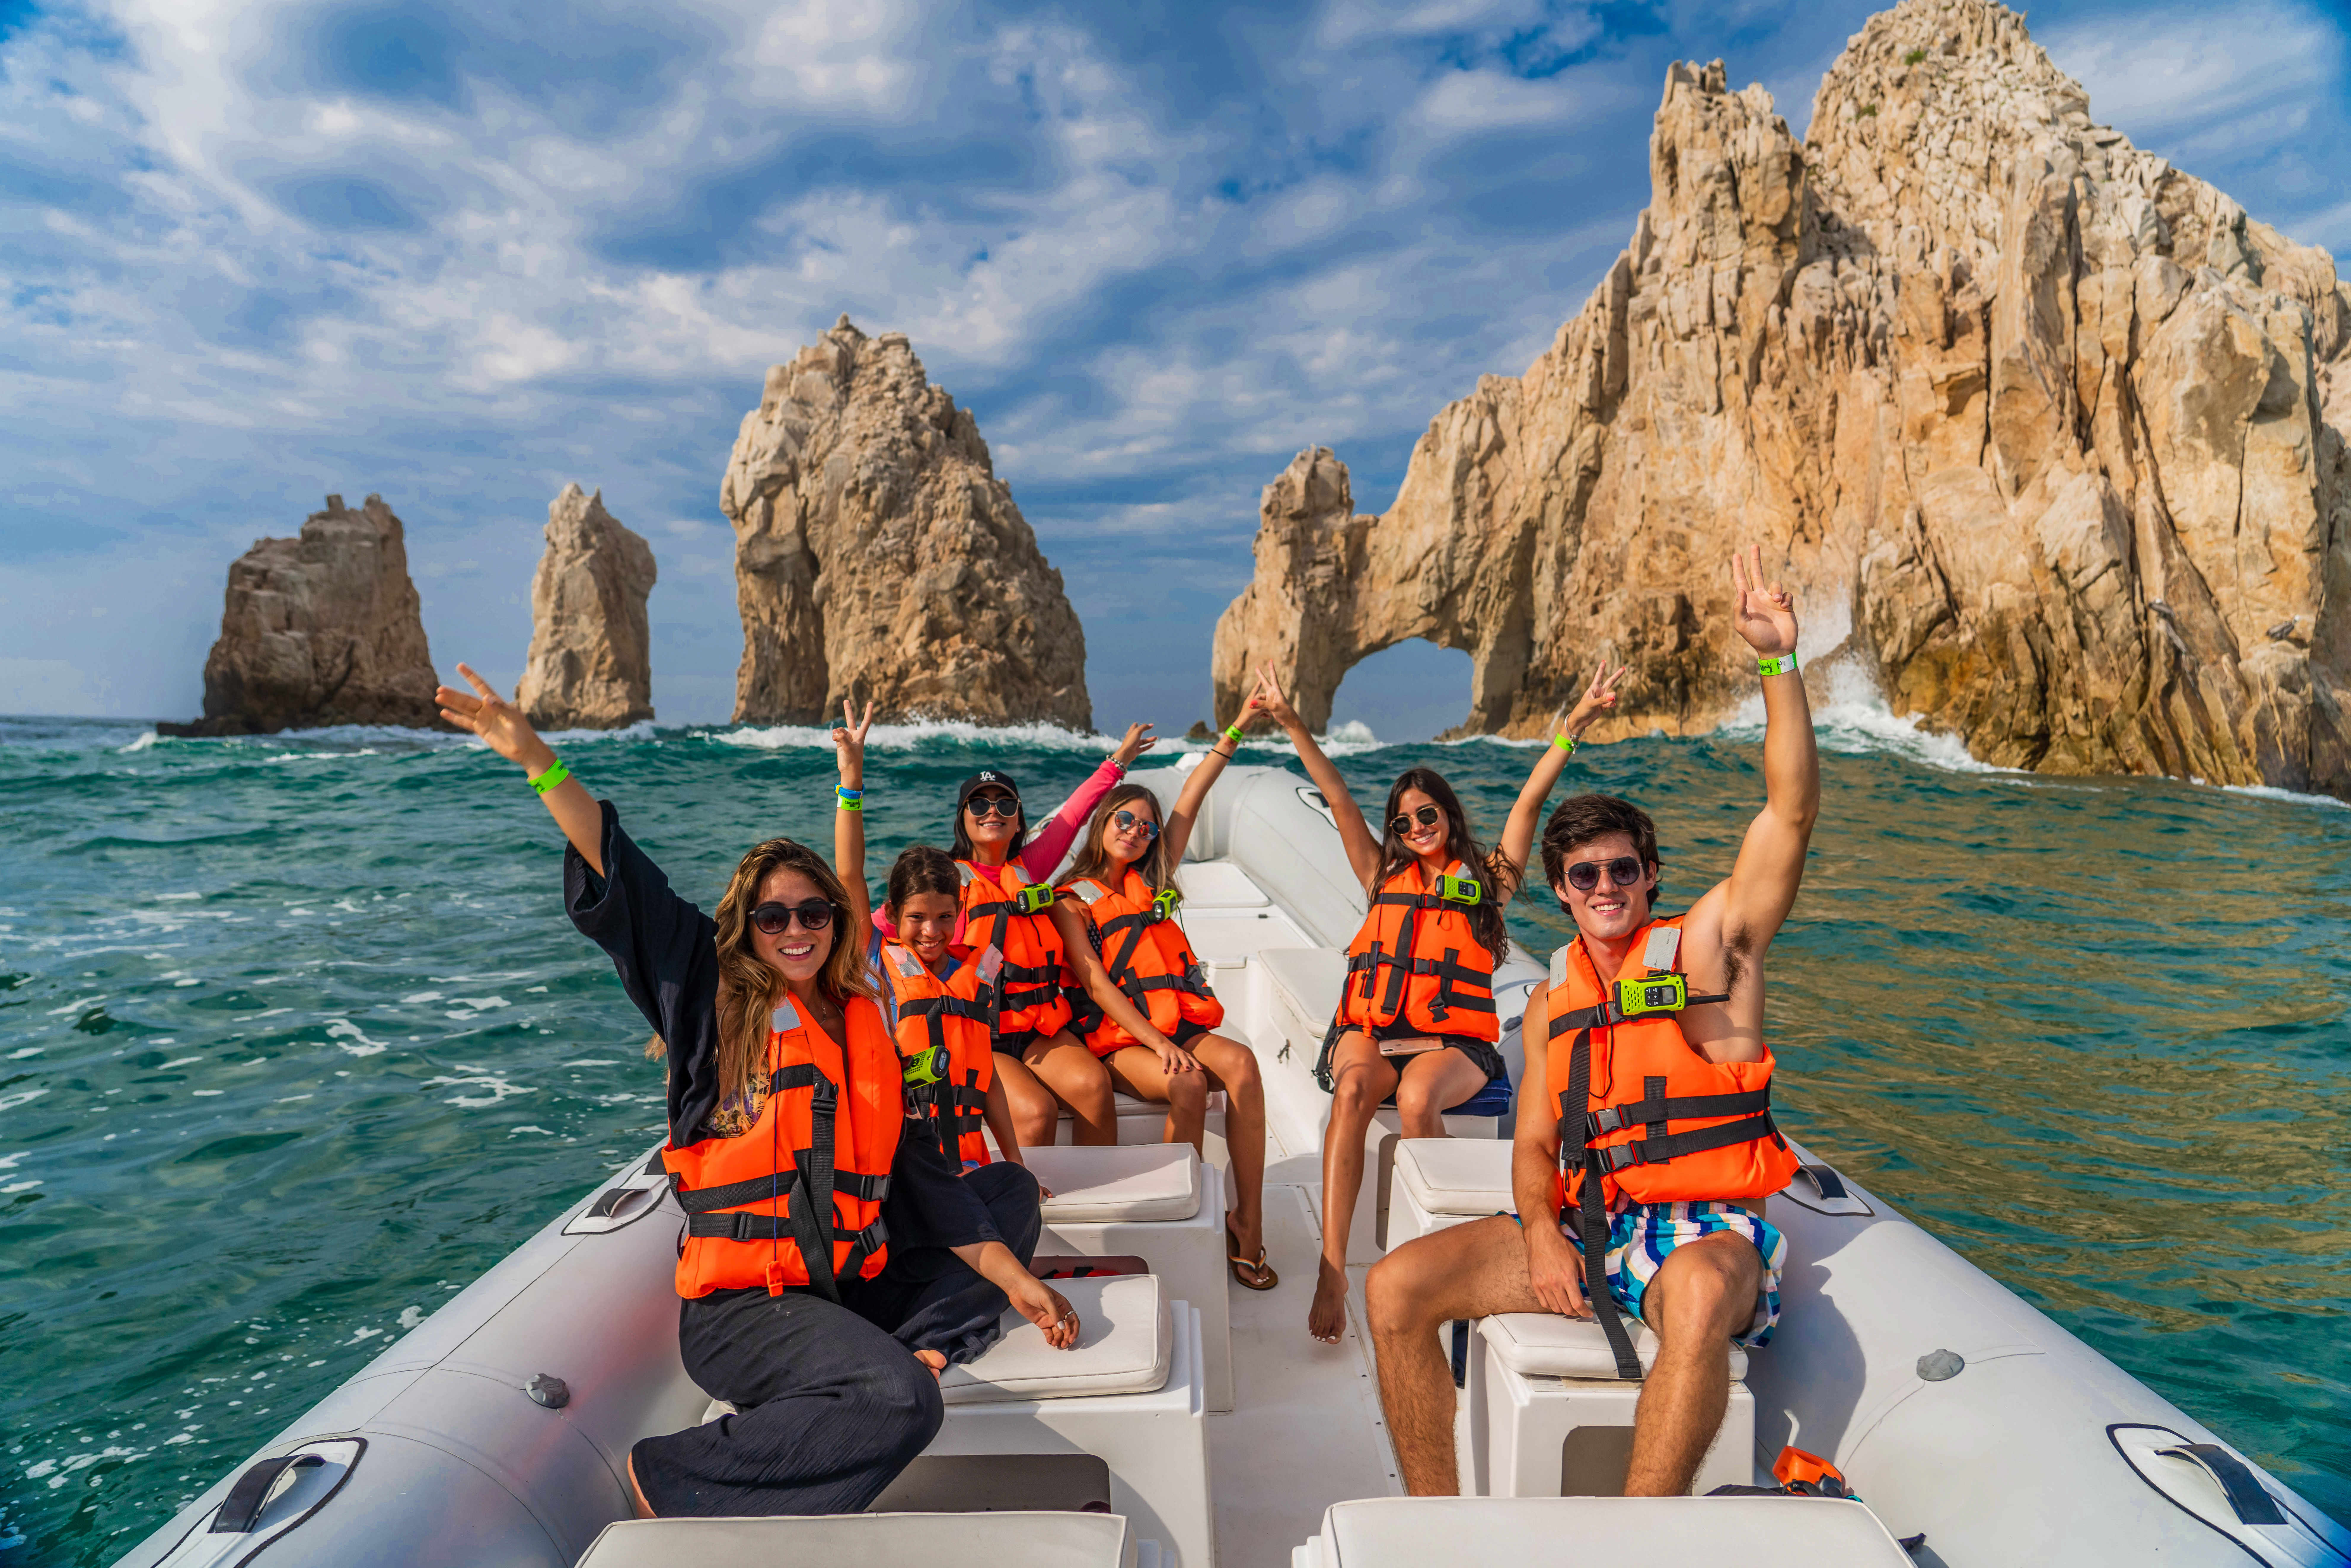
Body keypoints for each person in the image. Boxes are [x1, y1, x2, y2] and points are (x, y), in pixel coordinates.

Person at [432, 666, 1079, 1519]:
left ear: (838, 925)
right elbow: (632, 885)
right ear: (748, 928)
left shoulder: (862, 1024)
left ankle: (890, 1351)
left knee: (1006, 1195)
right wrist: (539, 762)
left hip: (846, 1282)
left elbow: (925, 1181)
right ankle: (674, 1472)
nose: (796, 930)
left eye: (814, 913)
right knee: (903, 1406)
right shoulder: (714, 994)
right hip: (748, 1308)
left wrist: (1011, 1275)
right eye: (773, 918)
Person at [1363, 546, 1818, 1498]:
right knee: (1396, 1288)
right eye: (1584, 875)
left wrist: (1778, 665)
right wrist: (1538, 1230)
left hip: (1706, 1232)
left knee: (1692, 1296)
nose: (1605, 887)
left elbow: (1789, 814)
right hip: (1586, 1226)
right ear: (1563, 894)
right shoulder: (1554, 1007)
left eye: (1622, 870)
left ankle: (1636, 1535)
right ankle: (1439, 1524)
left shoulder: (1708, 951)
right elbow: (1533, 1148)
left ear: (1650, 876)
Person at [1254, 658, 1627, 1343]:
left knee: (1420, 1100)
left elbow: (1526, 807)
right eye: (1403, 820)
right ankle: (1332, 1266)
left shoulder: (1487, 882)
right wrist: (1287, 720)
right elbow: (1337, 796)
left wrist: (1569, 732)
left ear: (1447, 816)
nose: (1416, 825)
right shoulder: (1380, 873)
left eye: (1427, 814)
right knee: (1352, 1089)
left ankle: (1434, 1260)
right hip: (1373, 1028)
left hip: (1451, 1042)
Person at [1053, 696, 1277, 1290]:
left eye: (1146, 827)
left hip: (1173, 1022)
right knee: (1187, 1081)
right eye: (1124, 820)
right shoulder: (1071, 899)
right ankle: (1172, 1213)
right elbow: (1095, 983)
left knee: (1246, 1067)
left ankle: (1244, 1217)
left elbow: (1192, 795)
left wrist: (1237, 727)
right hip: (1122, 1038)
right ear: (1102, 824)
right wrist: (1156, 1042)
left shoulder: (1152, 877)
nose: (1136, 832)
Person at [827, 701, 1035, 1182]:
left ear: (959, 914)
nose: (931, 932)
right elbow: (848, 872)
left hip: (968, 1164)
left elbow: (987, 1084)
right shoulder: (875, 963)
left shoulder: (979, 970)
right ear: (893, 915)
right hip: (908, 1172)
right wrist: (851, 782)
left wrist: (1015, 1163)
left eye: (945, 918)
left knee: (1020, 1195)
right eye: (917, 918)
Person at [935, 726, 1157, 1147]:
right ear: (962, 817)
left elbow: (1075, 814)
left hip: (1038, 1028)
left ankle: (1099, 1196)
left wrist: (1119, 759)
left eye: (1005, 803)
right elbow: (885, 923)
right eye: (979, 803)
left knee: (1094, 1086)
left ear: (1019, 818)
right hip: (981, 1034)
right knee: (1037, 1112)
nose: (992, 811)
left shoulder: (1029, 869)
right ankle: (1026, 1208)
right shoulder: (943, 878)